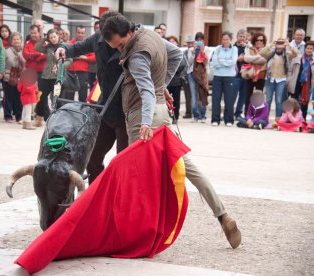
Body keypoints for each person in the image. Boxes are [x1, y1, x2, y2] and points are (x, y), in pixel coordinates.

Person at [102, 15, 241, 249]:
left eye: (120, 44)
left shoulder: (136, 55)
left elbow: (145, 91)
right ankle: (223, 215)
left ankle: (135, 234)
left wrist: (145, 122)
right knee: (188, 167)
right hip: (162, 112)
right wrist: (163, 86)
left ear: (127, 33)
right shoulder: (150, 35)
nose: (120, 49)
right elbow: (177, 55)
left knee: (139, 178)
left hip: (142, 117)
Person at [55, 11, 129, 184]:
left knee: (123, 162)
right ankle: (97, 191)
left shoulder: (132, 41)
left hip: (128, 112)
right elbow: (76, 48)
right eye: (105, 35)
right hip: (105, 108)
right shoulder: (97, 39)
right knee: (93, 158)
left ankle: (119, 197)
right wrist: (63, 48)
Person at [260, 38, 298, 121]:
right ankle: (265, 119)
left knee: (279, 100)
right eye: (278, 44)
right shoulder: (271, 53)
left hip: (281, 80)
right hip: (270, 79)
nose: (279, 47)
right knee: (268, 100)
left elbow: (296, 53)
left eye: (281, 44)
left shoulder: (287, 54)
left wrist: (288, 44)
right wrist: (271, 44)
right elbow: (262, 53)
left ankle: (278, 120)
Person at [35, 29, 64, 123]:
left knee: (57, 99)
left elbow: (70, 61)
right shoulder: (48, 47)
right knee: (41, 97)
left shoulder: (64, 47)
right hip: (46, 76)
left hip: (57, 77)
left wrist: (60, 65)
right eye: (51, 37)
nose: (53, 39)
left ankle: (59, 120)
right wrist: (44, 38)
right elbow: (37, 47)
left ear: (58, 36)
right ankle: (39, 118)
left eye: (54, 36)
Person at [211, 31, 238, 127]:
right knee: (216, 98)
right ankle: (215, 119)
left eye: (227, 39)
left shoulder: (234, 49)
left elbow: (233, 62)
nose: (225, 41)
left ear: (230, 40)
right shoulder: (217, 49)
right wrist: (226, 62)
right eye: (223, 39)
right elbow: (214, 62)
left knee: (229, 99)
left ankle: (229, 120)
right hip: (217, 76)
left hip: (229, 77)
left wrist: (221, 61)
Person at [287, 40, 314, 119]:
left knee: (304, 104)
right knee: (294, 102)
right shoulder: (298, 58)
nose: (309, 50)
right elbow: (290, 70)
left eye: (311, 48)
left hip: (307, 85)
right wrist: (289, 80)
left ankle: (302, 121)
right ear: (305, 48)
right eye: (307, 48)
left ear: (313, 49)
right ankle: (292, 120)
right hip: (296, 83)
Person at [67, 26, 96, 102]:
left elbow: (94, 58)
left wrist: (84, 58)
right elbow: (66, 55)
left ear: (84, 34)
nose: (80, 35)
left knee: (83, 96)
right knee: (69, 96)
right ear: (76, 33)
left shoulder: (88, 45)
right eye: (79, 32)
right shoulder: (70, 44)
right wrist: (78, 57)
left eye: (82, 33)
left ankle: (82, 113)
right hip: (70, 72)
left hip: (83, 73)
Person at [242, 32, 267, 115]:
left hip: (261, 76)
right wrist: (258, 57)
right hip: (250, 75)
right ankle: (247, 115)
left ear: (264, 41)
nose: (259, 42)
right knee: (248, 96)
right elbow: (246, 58)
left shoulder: (266, 50)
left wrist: (252, 59)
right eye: (257, 40)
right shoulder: (250, 49)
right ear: (254, 41)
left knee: (258, 97)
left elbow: (264, 60)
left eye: (261, 40)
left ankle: (257, 115)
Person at [3, 32, 25, 123]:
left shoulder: (24, 51)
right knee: (8, 97)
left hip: (20, 77)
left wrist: (21, 58)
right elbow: (3, 64)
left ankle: (19, 116)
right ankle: (8, 116)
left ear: (21, 40)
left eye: (18, 39)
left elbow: (27, 63)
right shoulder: (6, 51)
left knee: (19, 98)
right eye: (14, 39)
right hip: (9, 76)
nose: (16, 41)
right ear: (11, 41)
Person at [166, 35, 187, 122]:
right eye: (170, 41)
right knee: (165, 100)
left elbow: (182, 65)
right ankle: (167, 117)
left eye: (174, 41)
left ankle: (176, 117)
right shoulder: (164, 52)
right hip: (166, 80)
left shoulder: (179, 53)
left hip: (176, 80)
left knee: (176, 100)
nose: (172, 43)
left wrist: (172, 68)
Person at [192, 34, 209, 122]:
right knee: (194, 96)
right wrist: (193, 52)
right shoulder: (192, 49)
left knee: (203, 94)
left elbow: (206, 62)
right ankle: (195, 115)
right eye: (197, 40)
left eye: (201, 40)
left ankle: (203, 115)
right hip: (193, 75)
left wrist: (202, 52)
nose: (199, 42)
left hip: (202, 75)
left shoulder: (206, 49)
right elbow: (189, 63)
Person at [233, 29, 247, 119]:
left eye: (243, 37)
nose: (242, 38)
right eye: (240, 36)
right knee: (232, 96)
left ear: (246, 38)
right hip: (235, 75)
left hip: (245, 75)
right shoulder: (232, 47)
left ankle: (238, 113)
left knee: (242, 96)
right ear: (237, 36)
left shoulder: (248, 48)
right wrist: (237, 59)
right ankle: (229, 113)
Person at [182, 35, 195, 119]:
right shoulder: (184, 52)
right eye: (188, 43)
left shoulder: (196, 51)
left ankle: (195, 113)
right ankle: (188, 112)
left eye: (191, 43)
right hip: (186, 76)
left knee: (195, 95)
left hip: (195, 76)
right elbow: (183, 64)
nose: (190, 44)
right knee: (187, 95)